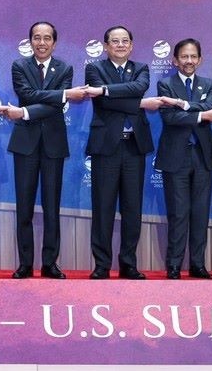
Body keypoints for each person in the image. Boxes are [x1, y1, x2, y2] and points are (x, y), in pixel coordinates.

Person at [4, 21, 88, 279]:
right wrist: (62, 94)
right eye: (37, 38)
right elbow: (26, 94)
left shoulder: (65, 67)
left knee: (52, 207)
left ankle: (50, 263)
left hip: (53, 143)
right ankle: (26, 264)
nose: (41, 42)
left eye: (47, 38)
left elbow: (50, 106)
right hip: (25, 143)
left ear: (54, 42)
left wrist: (30, 109)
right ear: (30, 41)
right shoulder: (19, 65)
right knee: (24, 206)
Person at [84, 25, 160, 280]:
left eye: (124, 41)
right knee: (103, 207)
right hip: (106, 147)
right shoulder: (94, 69)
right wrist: (137, 103)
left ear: (131, 45)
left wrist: (106, 90)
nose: (119, 45)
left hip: (133, 146)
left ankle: (129, 264)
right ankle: (102, 265)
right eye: (114, 41)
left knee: (132, 208)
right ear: (106, 46)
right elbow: (105, 102)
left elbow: (137, 88)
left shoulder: (141, 68)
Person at [155, 38, 212, 280]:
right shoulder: (165, 84)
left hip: (203, 156)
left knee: (200, 212)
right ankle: (174, 265)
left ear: (200, 59)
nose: (189, 61)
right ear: (175, 60)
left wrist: (184, 105)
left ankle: (198, 264)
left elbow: (211, 108)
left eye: (193, 56)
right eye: (184, 57)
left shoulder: (208, 83)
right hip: (176, 157)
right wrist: (201, 114)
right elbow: (170, 118)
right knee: (178, 213)